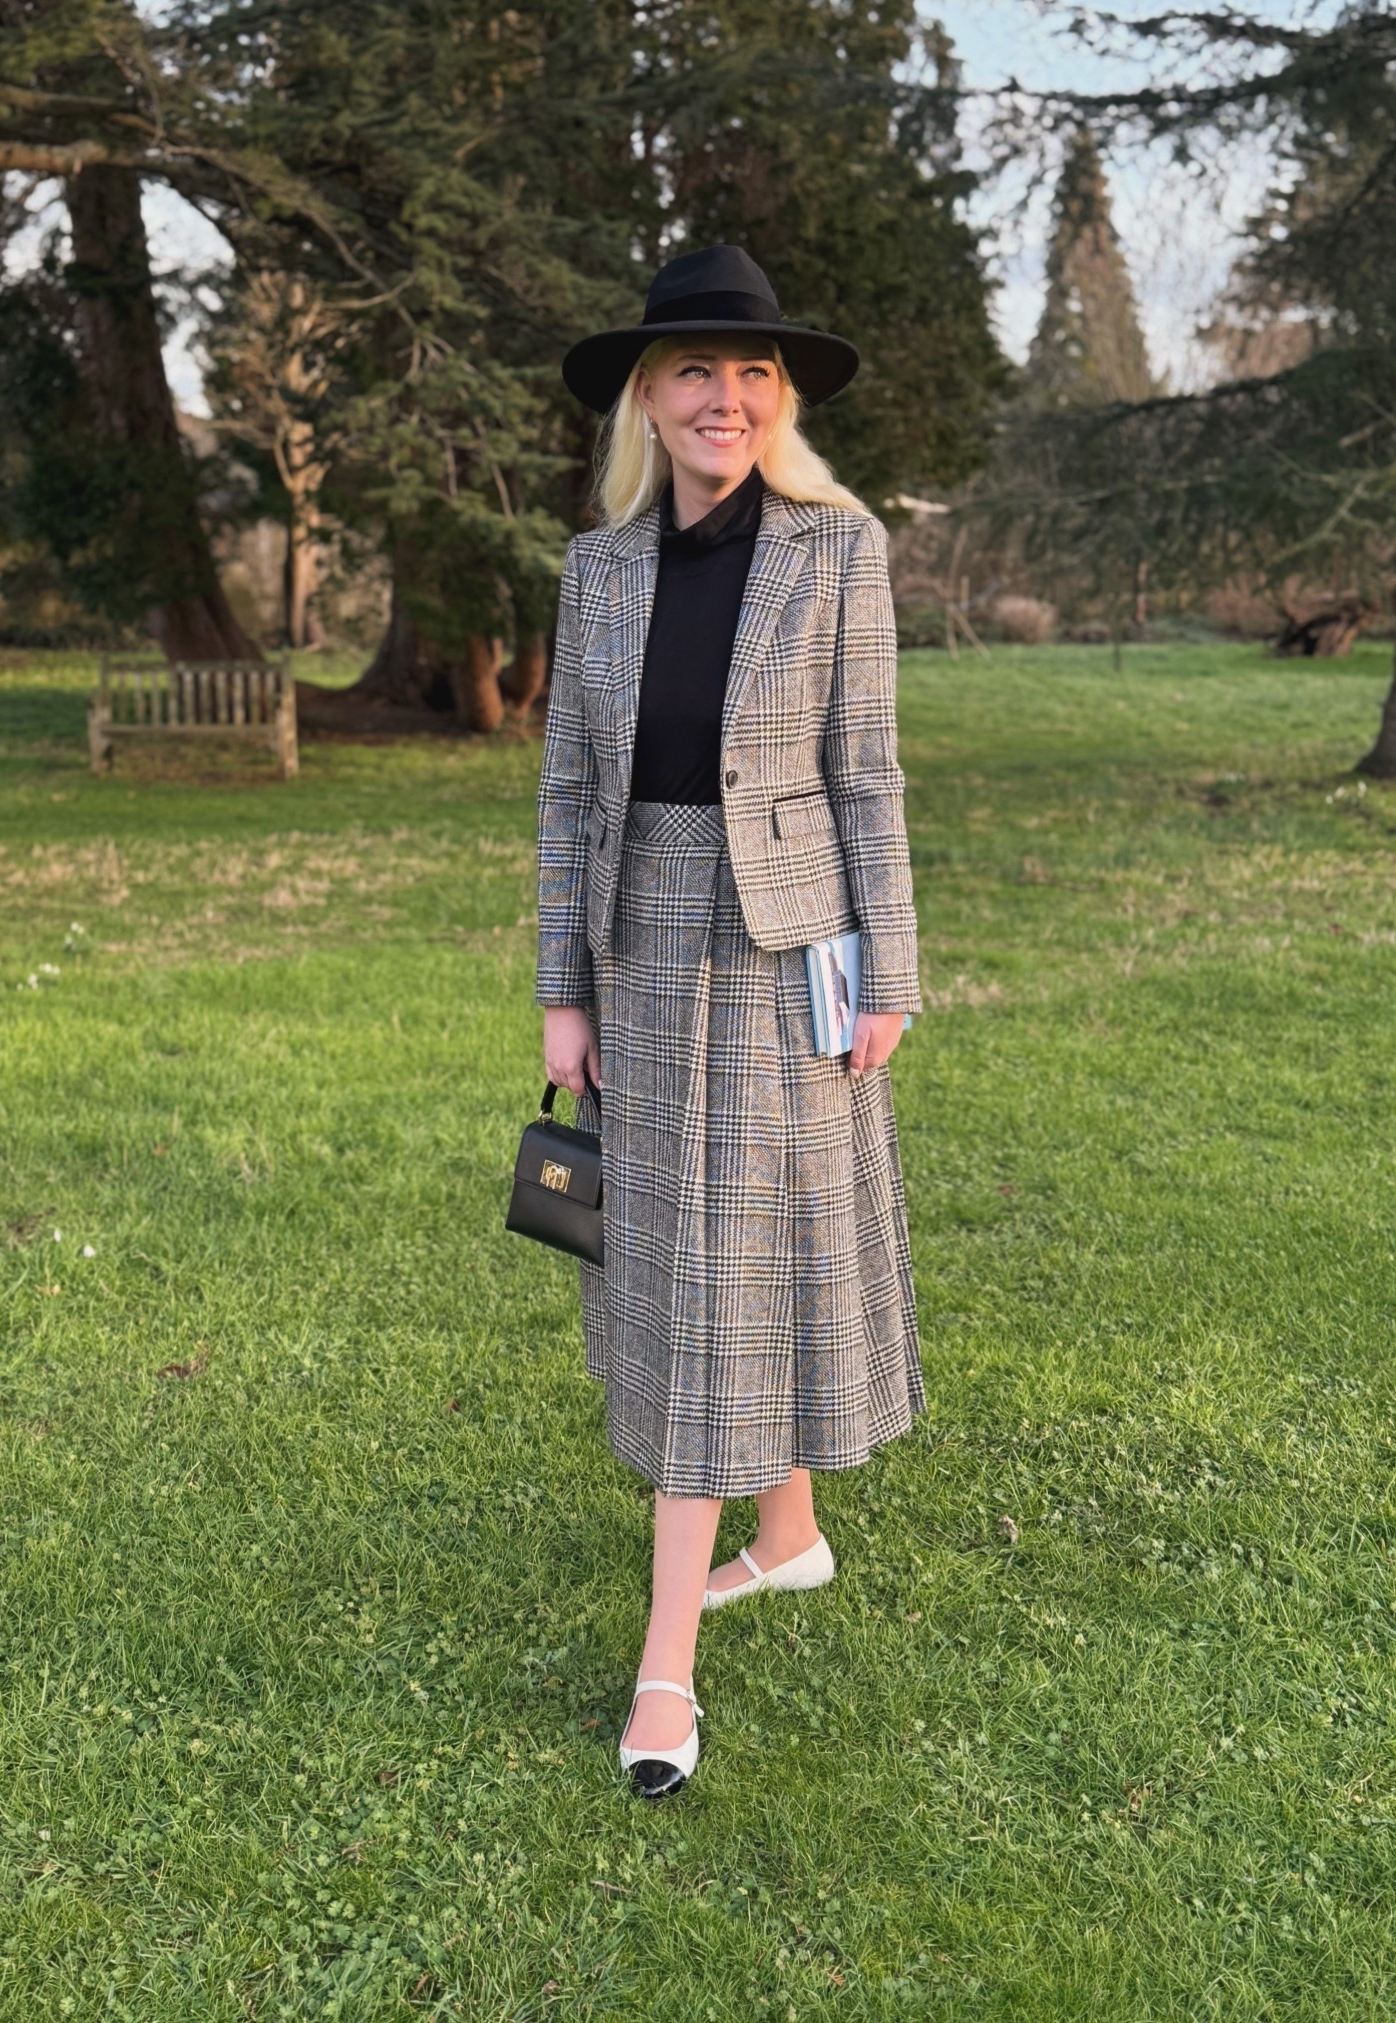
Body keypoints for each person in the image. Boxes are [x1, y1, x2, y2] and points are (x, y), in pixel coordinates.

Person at [536, 243, 925, 1798]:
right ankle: (790, 1535)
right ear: (647, 395)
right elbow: (571, 787)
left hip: (790, 944)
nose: (727, 397)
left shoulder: (842, 551)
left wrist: (887, 966)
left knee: (743, 1248)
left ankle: (665, 1671)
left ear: (782, 399)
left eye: (752, 373)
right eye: (695, 371)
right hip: (643, 938)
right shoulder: (600, 570)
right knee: (701, 1255)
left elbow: (869, 775)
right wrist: (564, 986)